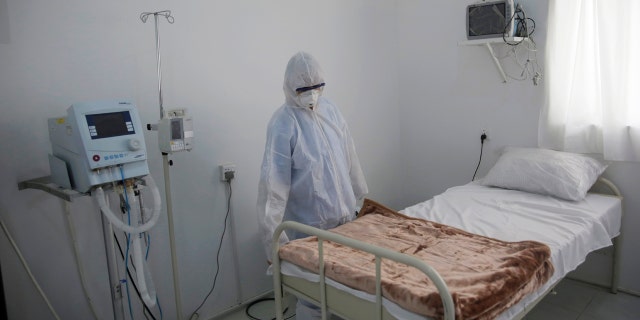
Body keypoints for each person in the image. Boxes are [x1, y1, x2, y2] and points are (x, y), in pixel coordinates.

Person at [257, 51, 369, 319]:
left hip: (344, 221)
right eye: (304, 89)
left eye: (317, 87)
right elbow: (273, 187)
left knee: (346, 292)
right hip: (308, 230)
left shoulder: (331, 111)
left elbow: (349, 157)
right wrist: (272, 242)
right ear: (289, 88)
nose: (312, 94)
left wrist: (361, 201)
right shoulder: (283, 123)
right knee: (315, 298)